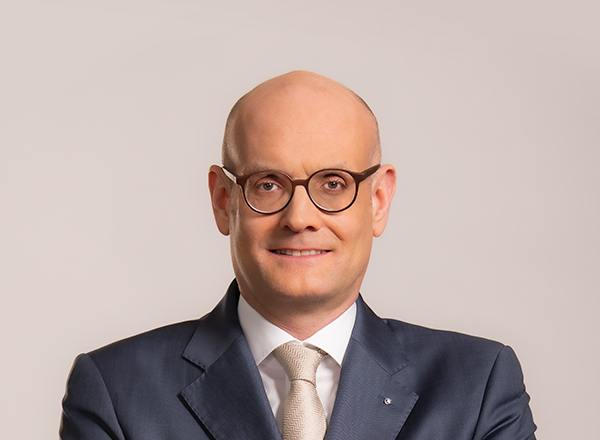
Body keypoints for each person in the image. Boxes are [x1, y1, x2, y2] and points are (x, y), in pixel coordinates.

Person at [60, 71, 536, 439]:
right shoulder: (115, 390)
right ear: (223, 201)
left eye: (334, 184)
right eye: (268, 184)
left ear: (378, 201)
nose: (300, 217)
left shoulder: (478, 385)